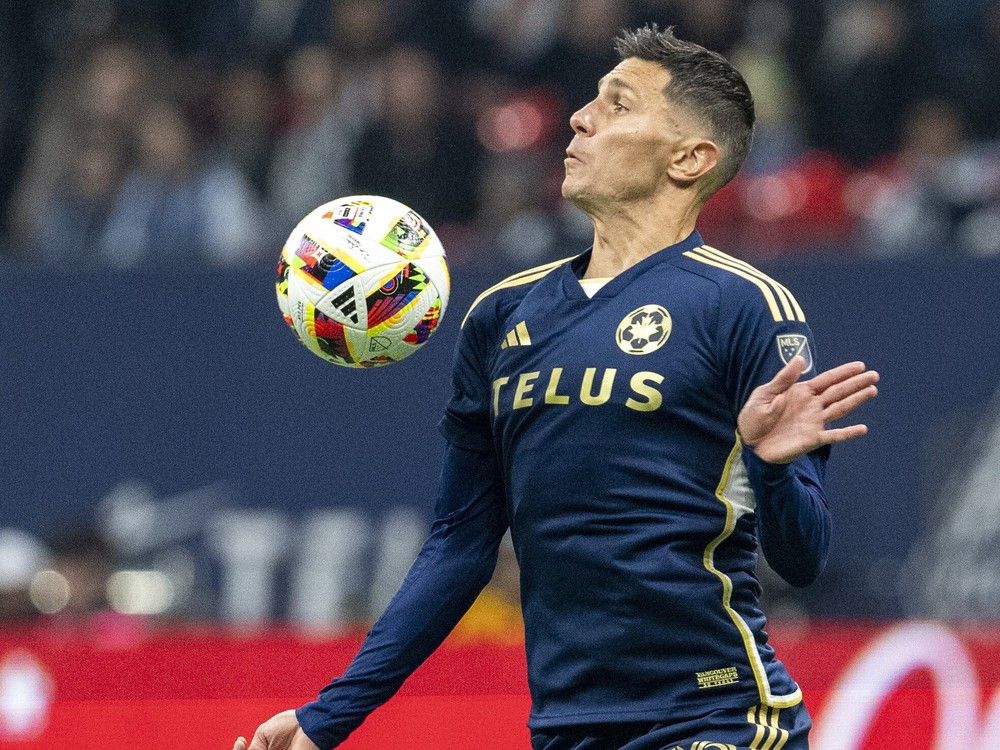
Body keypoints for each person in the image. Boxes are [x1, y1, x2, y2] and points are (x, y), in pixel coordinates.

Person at [234, 24, 879, 750]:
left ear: (690, 158)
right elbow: (459, 544)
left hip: (716, 715)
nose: (580, 117)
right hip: (566, 728)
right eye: (590, 100)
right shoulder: (503, 315)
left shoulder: (746, 307)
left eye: (619, 104)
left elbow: (803, 557)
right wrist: (331, 715)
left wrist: (770, 465)